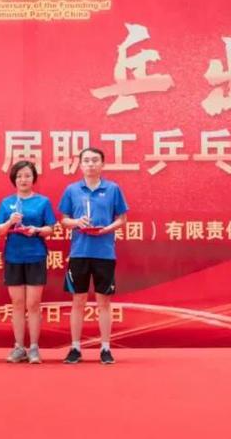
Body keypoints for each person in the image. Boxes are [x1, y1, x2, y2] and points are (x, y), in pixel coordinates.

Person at [58, 148, 128, 364]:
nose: (90, 164)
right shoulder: (72, 190)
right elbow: (64, 220)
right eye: (86, 161)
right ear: (80, 165)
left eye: (95, 160)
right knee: (78, 300)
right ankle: (75, 348)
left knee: (103, 302)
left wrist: (107, 229)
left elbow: (122, 219)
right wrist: (77, 222)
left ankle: (105, 348)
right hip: (79, 252)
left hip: (104, 252)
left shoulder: (113, 189)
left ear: (102, 164)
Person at [0, 160, 56, 364]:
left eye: (27, 176)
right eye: (19, 176)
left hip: (35, 256)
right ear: (14, 179)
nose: (23, 179)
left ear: (33, 178)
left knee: (33, 304)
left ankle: (34, 348)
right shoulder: (6, 203)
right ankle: (19, 347)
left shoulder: (42, 202)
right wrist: (10, 222)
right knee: (18, 303)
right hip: (13, 257)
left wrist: (36, 230)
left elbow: (50, 228)